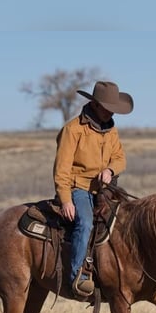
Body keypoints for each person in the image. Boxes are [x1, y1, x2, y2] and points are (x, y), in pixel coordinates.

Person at [53, 80, 133, 298]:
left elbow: (120, 158)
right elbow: (62, 169)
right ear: (96, 105)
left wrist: (110, 169)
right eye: (108, 108)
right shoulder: (73, 130)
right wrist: (66, 200)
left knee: (129, 218)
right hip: (78, 187)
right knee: (85, 222)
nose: (111, 113)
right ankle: (78, 276)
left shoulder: (111, 129)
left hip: (105, 187)